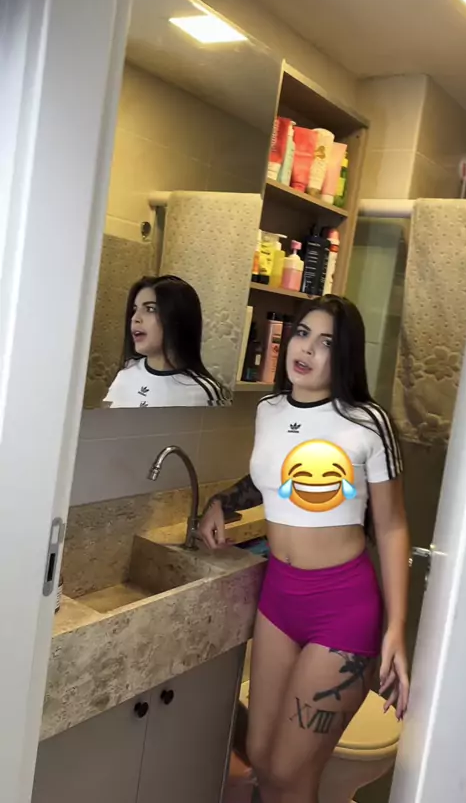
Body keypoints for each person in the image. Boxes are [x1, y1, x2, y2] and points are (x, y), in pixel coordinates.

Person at [199, 295, 410, 803]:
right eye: (301, 333)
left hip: (341, 607)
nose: (307, 349)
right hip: (279, 599)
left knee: (290, 773)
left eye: (327, 342)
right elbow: (269, 478)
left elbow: (392, 527)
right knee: (263, 758)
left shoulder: (368, 421)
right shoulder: (269, 410)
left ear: (345, 356)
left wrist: (397, 627)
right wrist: (221, 502)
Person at [104, 275, 230, 408]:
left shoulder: (203, 392)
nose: (135, 318)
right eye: (134, 310)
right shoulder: (125, 375)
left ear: (178, 318)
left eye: (150, 309)